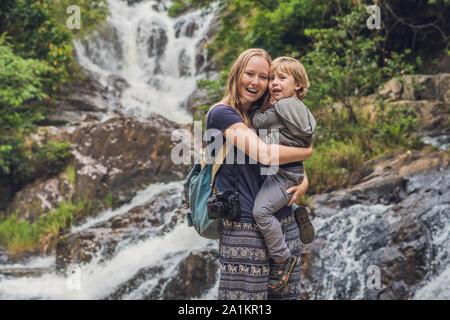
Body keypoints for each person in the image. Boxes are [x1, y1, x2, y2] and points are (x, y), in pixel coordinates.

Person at [205, 48, 312, 300]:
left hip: (285, 224)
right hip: (243, 229)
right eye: (249, 74)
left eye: (264, 76)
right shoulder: (222, 114)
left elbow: (288, 155)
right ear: (236, 74)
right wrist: (307, 153)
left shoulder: (266, 114)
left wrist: (303, 178)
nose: (256, 82)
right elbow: (265, 154)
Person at [251, 56, 316, 291]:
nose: (274, 83)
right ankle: (295, 209)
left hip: (284, 175)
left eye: (282, 78)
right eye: (272, 78)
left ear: (298, 84)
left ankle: (281, 257)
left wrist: (259, 106)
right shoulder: (301, 109)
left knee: (261, 211)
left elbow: (258, 121)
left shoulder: (280, 107)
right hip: (289, 172)